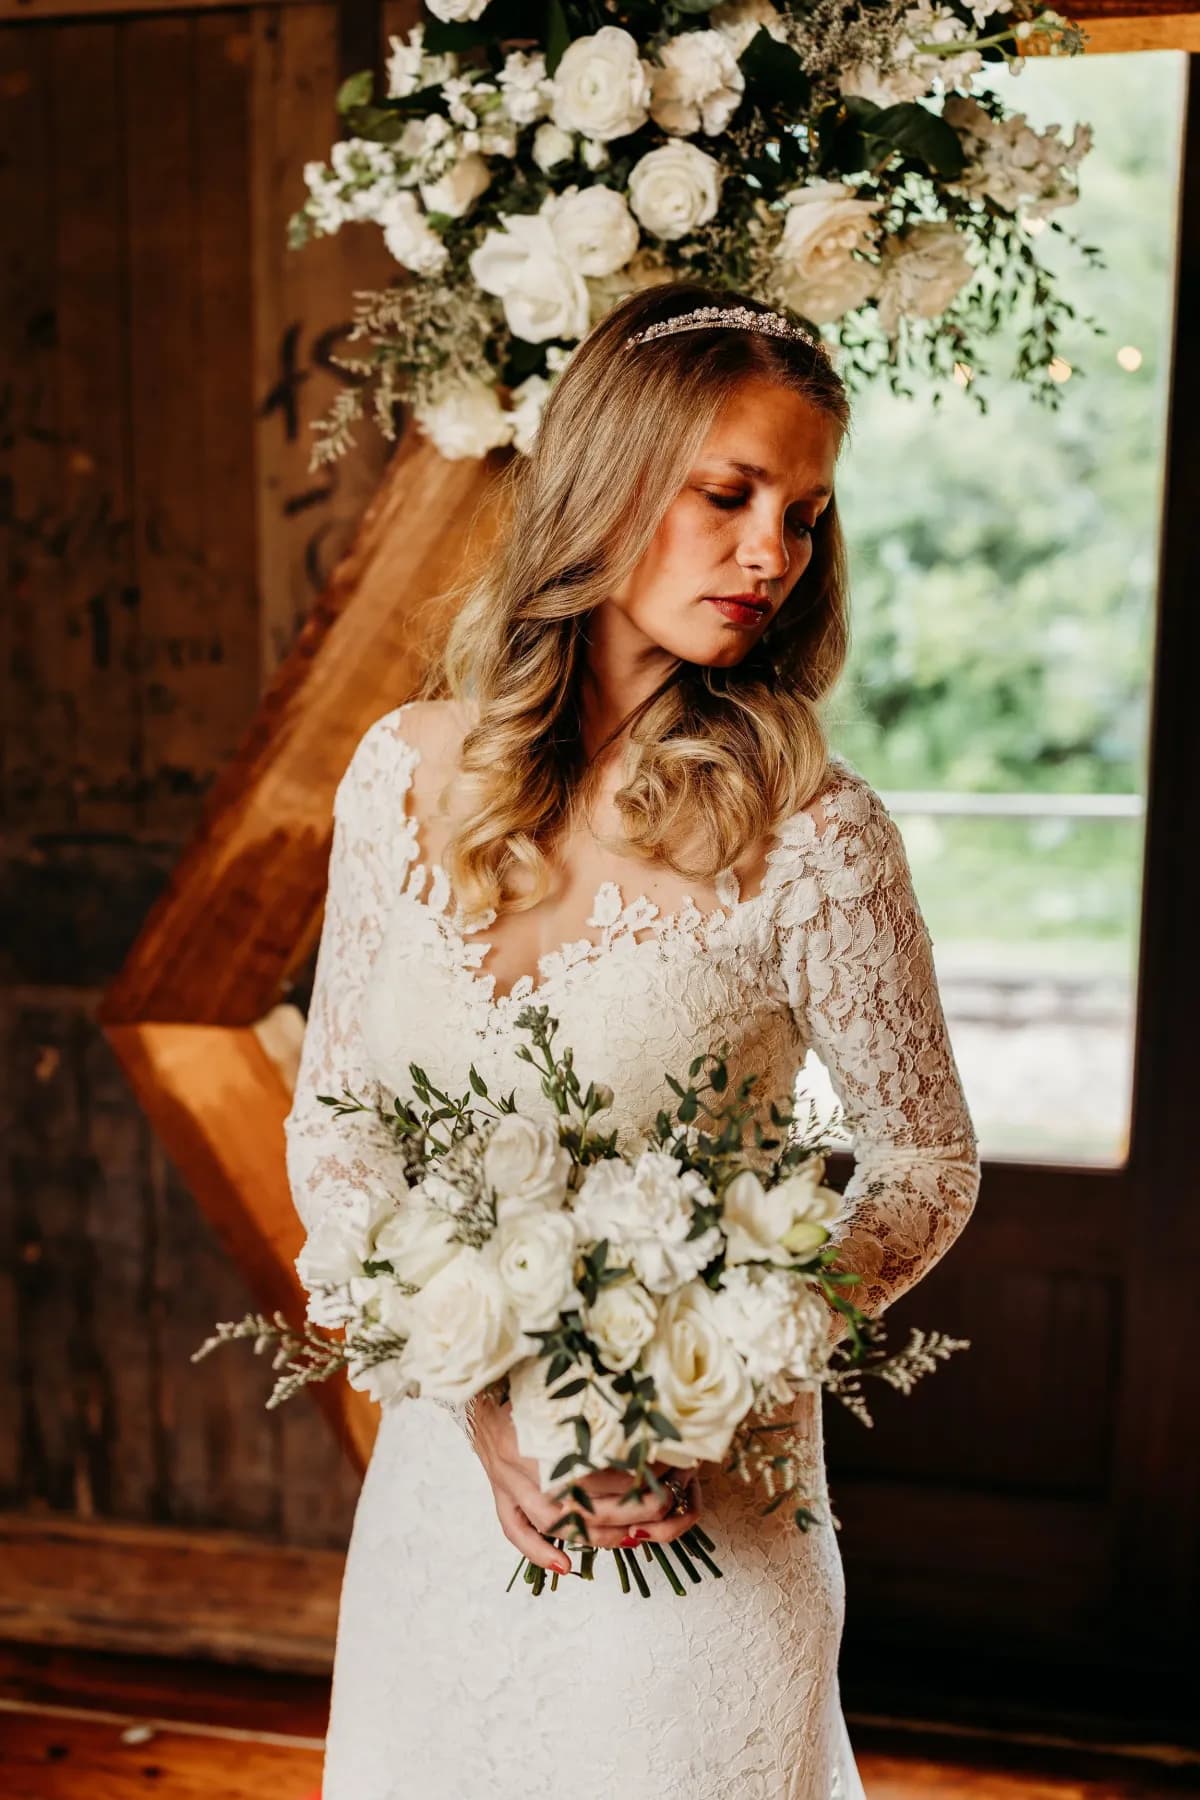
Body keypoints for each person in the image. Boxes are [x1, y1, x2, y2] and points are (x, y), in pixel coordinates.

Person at [283, 281, 981, 1800]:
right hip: (444, 1498)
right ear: (604, 486)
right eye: (727, 495)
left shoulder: (814, 833)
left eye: (803, 513)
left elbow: (927, 1159)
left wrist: (715, 1369)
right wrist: (477, 1396)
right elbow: (333, 1116)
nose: (769, 554)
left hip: (703, 1524)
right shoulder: (399, 773)